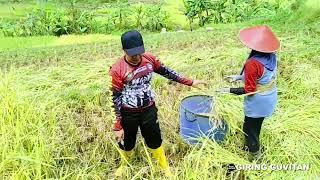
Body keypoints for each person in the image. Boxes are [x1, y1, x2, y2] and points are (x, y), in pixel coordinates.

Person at [109, 30, 207, 177]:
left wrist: (191, 82)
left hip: (148, 109)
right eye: (132, 54)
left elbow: (168, 72)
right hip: (128, 112)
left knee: (154, 138)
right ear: (124, 51)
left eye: (139, 53)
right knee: (127, 141)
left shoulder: (149, 59)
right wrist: (118, 124)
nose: (136, 57)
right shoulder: (118, 69)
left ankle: (164, 167)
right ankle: (124, 165)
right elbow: (116, 97)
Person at [216, 26, 280, 162]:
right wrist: (238, 77)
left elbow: (249, 90)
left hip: (258, 102)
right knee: (256, 126)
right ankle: (253, 146)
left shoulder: (252, 63)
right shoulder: (271, 56)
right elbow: (262, 77)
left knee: (249, 130)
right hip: (269, 97)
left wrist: (228, 90)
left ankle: (256, 158)